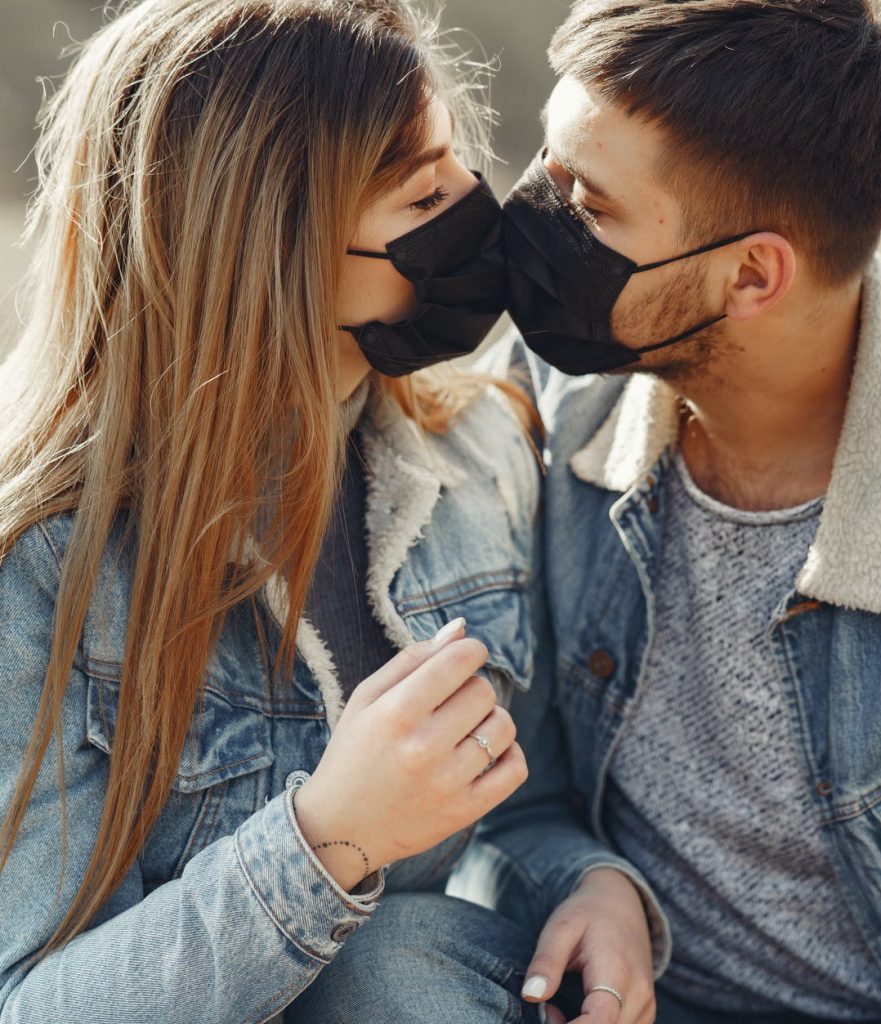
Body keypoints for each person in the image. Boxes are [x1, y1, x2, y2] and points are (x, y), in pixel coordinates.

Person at [325, 2, 881, 1023]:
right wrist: (585, 879)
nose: (528, 220)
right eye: (550, 169)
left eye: (589, 206)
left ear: (752, 273)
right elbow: (521, 797)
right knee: (382, 964)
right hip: (631, 999)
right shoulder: (543, 402)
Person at [0, 0, 540, 1020]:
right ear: (266, 248)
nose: (479, 207)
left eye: (458, 163)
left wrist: (590, 885)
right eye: (425, 194)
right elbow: (32, 1004)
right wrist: (330, 836)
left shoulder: (485, 445)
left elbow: (537, 801)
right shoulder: (38, 557)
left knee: (394, 960)